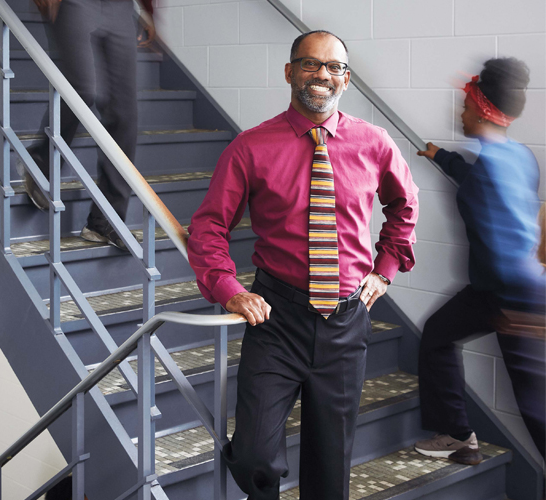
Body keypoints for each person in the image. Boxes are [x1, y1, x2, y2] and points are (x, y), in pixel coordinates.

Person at [187, 30, 419, 500]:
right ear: (290, 72)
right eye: (311, 64)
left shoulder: (374, 142)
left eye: (333, 67)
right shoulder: (251, 147)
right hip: (277, 319)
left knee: (330, 468)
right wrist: (230, 288)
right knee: (252, 453)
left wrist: (386, 267)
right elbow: (209, 227)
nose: (322, 75)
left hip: (346, 322)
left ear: (346, 80)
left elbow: (405, 206)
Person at [414, 58, 546, 465]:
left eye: (466, 106)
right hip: (499, 289)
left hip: (516, 299)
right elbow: (472, 175)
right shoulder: (517, 157)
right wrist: (440, 156)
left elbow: (506, 239)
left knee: (537, 412)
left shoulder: (491, 169)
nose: (461, 112)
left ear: (483, 109)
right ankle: (457, 435)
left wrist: (522, 309)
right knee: (436, 335)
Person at [23, 0, 156, 250]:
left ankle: (104, 220)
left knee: (124, 114)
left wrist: (148, 9)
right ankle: (40, 164)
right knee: (81, 91)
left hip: (121, 8)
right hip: (75, 4)